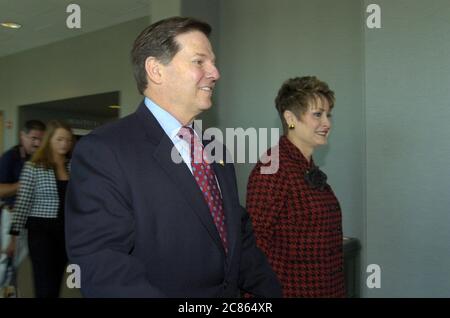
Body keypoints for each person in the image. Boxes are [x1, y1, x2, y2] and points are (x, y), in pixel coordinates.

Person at [65, 16, 282, 298]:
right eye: (199, 61)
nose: (215, 72)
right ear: (156, 70)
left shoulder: (215, 148)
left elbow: (235, 234)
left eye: (213, 62)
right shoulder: (105, 151)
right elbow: (102, 265)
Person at [246, 76, 345, 297]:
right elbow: (255, 248)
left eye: (328, 115)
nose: (327, 123)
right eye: (317, 114)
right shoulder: (272, 170)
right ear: (290, 118)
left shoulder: (306, 167)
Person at [7, 120, 73, 298]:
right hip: (41, 232)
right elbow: (23, 202)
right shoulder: (34, 167)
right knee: (44, 281)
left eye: (67, 140)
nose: (64, 144)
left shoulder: (73, 167)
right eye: (59, 139)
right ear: (50, 140)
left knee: (59, 279)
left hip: (65, 232)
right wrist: (13, 237)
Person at [0, 120, 45, 293]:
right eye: (33, 138)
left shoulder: (41, 159)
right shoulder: (10, 157)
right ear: (22, 136)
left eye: (41, 139)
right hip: (12, 216)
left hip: (33, 219)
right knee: (6, 261)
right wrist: (26, 182)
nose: (37, 143)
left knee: (23, 265)